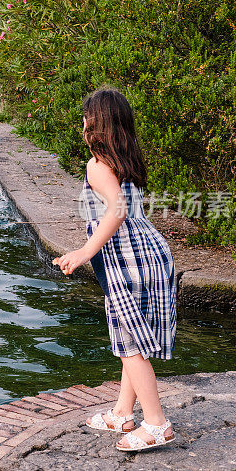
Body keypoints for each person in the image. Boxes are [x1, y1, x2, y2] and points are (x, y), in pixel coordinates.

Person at [53, 87, 177, 452]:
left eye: (86, 116)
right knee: (132, 341)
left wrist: (82, 252)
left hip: (126, 264)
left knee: (128, 347)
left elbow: (117, 210)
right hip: (153, 256)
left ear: (96, 123)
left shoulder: (96, 165)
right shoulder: (127, 160)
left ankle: (156, 424)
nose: (83, 121)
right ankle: (123, 413)